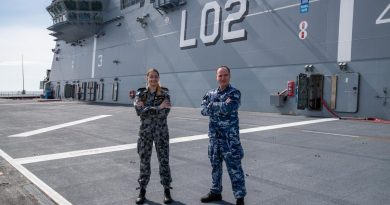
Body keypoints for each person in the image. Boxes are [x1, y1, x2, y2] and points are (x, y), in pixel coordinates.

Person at [200, 66, 247, 205]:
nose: (223, 78)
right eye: (220, 76)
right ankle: (216, 192)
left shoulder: (234, 92)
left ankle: (240, 197)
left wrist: (212, 106)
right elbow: (203, 111)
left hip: (229, 140)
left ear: (229, 76)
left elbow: (229, 108)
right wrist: (219, 105)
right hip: (214, 138)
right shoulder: (210, 93)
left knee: (235, 168)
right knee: (215, 167)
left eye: (225, 75)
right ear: (216, 77)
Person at [134, 68, 173, 204]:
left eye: (156, 77)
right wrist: (157, 108)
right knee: (144, 162)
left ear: (158, 78)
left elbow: (165, 112)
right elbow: (139, 112)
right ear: (147, 78)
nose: (153, 79)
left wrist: (148, 108)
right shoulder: (141, 94)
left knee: (164, 161)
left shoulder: (164, 93)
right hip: (145, 133)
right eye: (151, 77)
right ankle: (142, 190)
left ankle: (167, 190)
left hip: (161, 133)